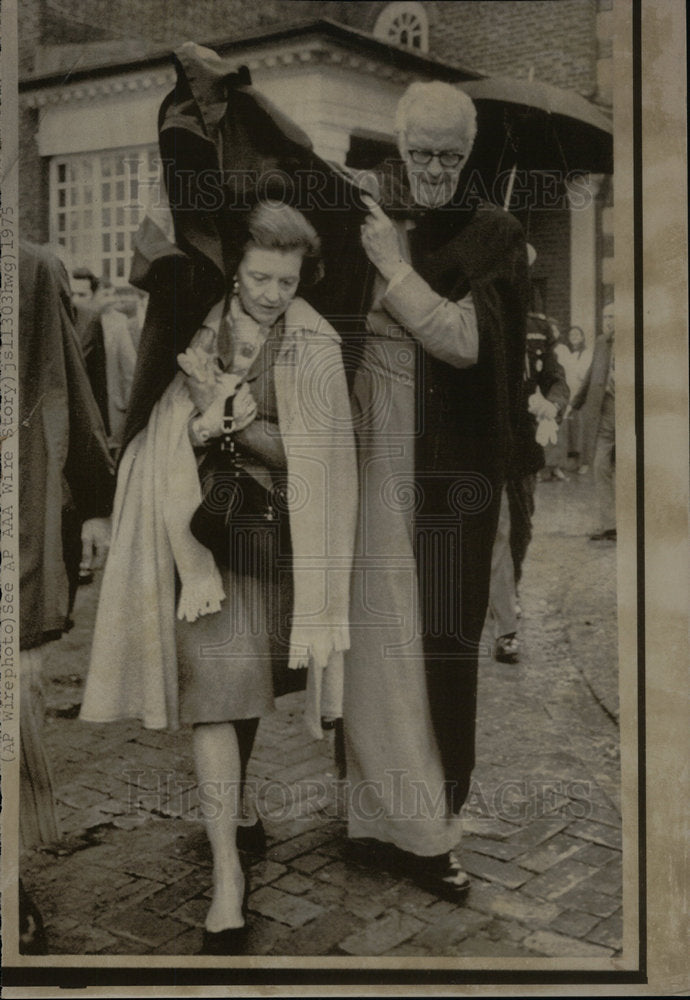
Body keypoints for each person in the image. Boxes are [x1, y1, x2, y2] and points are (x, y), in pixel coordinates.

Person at [80, 202, 357, 954]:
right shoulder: (193, 323)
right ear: (236, 267)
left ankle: (233, 811)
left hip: (268, 544)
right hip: (198, 541)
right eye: (260, 276)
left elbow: (320, 456)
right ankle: (228, 880)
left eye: (286, 278)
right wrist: (199, 423)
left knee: (242, 694)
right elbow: (162, 420)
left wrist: (235, 421)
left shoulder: (313, 343)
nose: (271, 292)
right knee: (214, 696)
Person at [344, 81, 529, 897]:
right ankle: (370, 816)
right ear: (399, 142)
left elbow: (465, 345)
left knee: (438, 650)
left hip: (448, 472)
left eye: (450, 156)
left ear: (469, 154)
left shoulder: (493, 233)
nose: (433, 171)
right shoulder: (366, 208)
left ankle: (429, 830)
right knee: (371, 640)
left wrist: (394, 269)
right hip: (368, 456)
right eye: (420, 153)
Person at [18, 242, 115, 951]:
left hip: (14, 530)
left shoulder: (29, 272)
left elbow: (68, 397)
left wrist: (97, 505)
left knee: (15, 701)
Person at [488, 307, 570, 664]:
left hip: (523, 446)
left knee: (520, 527)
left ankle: (510, 589)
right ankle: (500, 616)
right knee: (493, 532)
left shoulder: (536, 327)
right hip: (483, 442)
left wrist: (553, 404)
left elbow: (555, 377)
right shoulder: (481, 314)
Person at [572, 300, 616, 541]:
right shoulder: (601, 342)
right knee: (600, 466)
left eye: (613, 317)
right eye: (605, 317)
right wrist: (575, 403)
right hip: (605, 412)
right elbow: (590, 375)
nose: (608, 322)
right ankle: (610, 524)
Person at [555, 325, 592, 474]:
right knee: (573, 430)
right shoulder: (570, 355)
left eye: (577, 334)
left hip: (582, 396)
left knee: (583, 429)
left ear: (583, 337)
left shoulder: (587, 353)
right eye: (571, 335)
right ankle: (574, 462)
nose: (574, 337)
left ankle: (586, 462)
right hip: (570, 395)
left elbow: (584, 374)